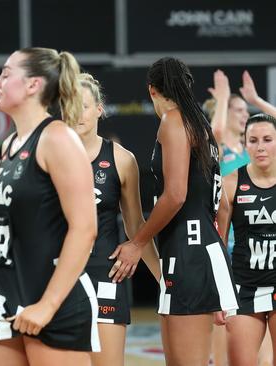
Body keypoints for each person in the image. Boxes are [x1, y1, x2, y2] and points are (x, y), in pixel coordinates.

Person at [0, 47, 99, 366]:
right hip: (3, 297)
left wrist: (47, 305)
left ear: (33, 85)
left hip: (51, 300)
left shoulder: (58, 138)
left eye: (6, 74)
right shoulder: (9, 145)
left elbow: (85, 229)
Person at [119, 57, 238, 365]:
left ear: (152, 90)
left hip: (188, 255)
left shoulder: (174, 120)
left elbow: (175, 195)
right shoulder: (203, 127)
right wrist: (216, 258)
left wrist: (137, 242)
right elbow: (223, 205)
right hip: (196, 254)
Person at [75, 73, 161, 366]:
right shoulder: (45, 155)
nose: (77, 113)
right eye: (70, 105)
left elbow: (136, 226)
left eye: (84, 105)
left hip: (103, 273)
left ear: (99, 108)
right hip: (54, 275)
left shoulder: (121, 159)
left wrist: (165, 281)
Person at [217, 113, 276, 366]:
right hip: (244, 287)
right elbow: (218, 244)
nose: (260, 146)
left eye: (267, 139)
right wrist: (218, 294)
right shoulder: (230, 183)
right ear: (245, 143)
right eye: (253, 140)